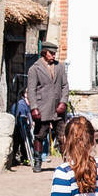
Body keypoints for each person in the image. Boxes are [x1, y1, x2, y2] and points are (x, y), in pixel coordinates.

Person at [26, 41, 69, 173]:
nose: (53, 56)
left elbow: (65, 86)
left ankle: (67, 162)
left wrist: (63, 102)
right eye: (51, 53)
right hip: (42, 107)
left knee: (62, 136)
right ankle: (38, 162)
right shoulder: (34, 69)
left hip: (58, 108)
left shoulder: (60, 67)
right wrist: (34, 107)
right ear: (44, 53)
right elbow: (31, 90)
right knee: (39, 136)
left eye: (55, 53)